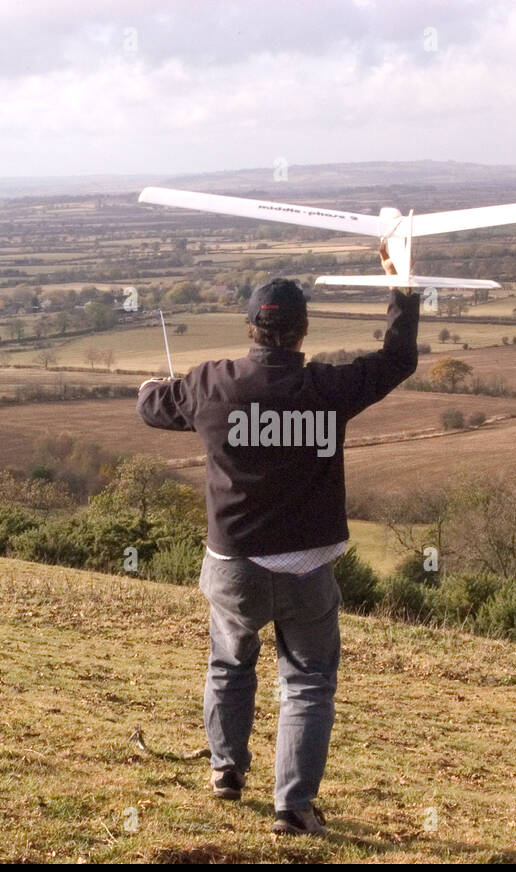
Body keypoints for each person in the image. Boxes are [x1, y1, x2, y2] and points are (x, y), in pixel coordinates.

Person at [136, 247, 418, 835]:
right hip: (306, 571)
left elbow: (150, 406)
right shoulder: (329, 387)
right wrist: (404, 293)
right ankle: (292, 807)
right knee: (309, 684)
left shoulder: (210, 384)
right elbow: (397, 360)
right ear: (302, 329)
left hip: (231, 567)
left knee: (229, 663)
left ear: (251, 326)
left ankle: (226, 772)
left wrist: (153, 386)